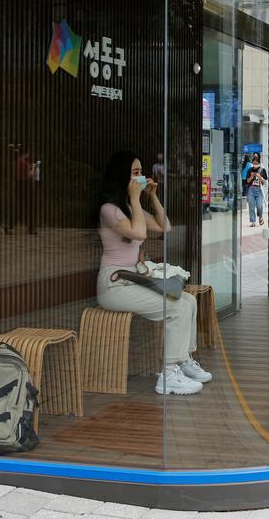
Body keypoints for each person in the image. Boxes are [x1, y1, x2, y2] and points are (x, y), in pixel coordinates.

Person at [95, 151, 212, 396]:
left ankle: (182, 360)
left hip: (131, 280)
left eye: (141, 173)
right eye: (136, 174)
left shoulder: (128, 207)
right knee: (177, 307)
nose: (141, 177)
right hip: (114, 286)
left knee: (188, 300)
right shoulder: (109, 209)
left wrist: (152, 196)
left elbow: (164, 227)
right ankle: (168, 374)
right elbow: (139, 234)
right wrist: (136, 200)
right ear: (122, 177)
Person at [245, 153, 268, 227]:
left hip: (259, 189)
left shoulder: (262, 170)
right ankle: (253, 221)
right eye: (254, 163)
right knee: (251, 206)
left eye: (256, 163)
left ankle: (260, 217)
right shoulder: (249, 170)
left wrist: (260, 177)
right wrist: (251, 177)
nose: (255, 164)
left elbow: (265, 182)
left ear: (259, 163)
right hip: (251, 189)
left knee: (259, 205)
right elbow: (247, 181)